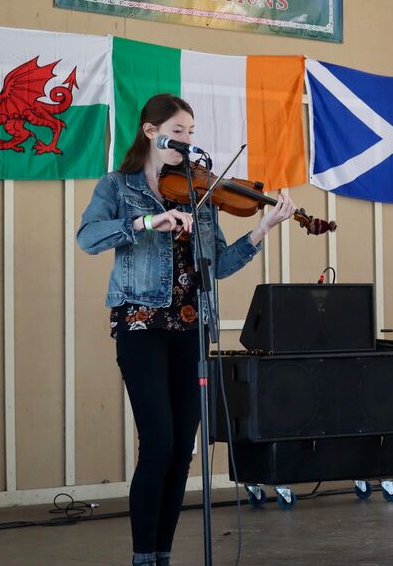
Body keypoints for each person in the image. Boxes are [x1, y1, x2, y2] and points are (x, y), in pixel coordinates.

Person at [77, 94, 295, 566]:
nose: (188, 141)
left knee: (181, 449)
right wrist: (147, 220)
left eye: (192, 132)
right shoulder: (118, 185)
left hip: (192, 327)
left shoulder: (201, 193)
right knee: (157, 442)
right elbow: (88, 237)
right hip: (141, 325)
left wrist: (261, 231)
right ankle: (141, 556)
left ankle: (162, 553)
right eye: (179, 131)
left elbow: (216, 266)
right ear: (152, 131)